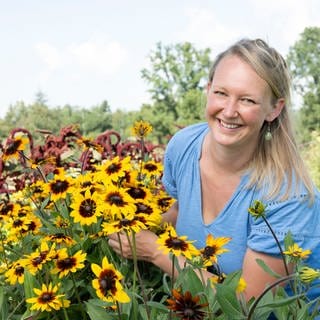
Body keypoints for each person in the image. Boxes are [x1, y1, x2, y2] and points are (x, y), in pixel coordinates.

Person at [108, 38, 320, 303]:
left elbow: (247, 305)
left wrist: (156, 252)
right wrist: (133, 226)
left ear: (274, 109)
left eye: (247, 100)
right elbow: (181, 209)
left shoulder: (288, 195)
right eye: (221, 93)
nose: (229, 111)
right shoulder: (183, 146)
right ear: (208, 90)